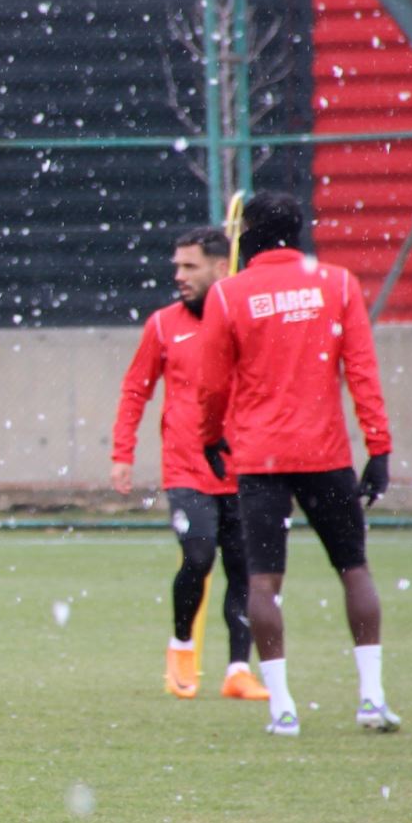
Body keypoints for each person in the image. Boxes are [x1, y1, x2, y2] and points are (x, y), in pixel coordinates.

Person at [197, 191, 397, 737]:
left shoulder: (230, 293)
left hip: (260, 457)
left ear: (250, 235)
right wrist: (378, 448)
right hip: (325, 453)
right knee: (354, 569)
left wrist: (210, 435)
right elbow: (362, 371)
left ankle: (282, 707)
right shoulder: (338, 284)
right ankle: (372, 698)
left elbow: (211, 382)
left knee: (263, 581)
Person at [111, 227, 267, 702]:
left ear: (221, 267)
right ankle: (181, 646)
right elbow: (135, 389)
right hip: (186, 469)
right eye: (177, 265)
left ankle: (238, 670)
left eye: (189, 266)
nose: (179, 275)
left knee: (244, 570)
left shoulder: (247, 320)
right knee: (198, 557)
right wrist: (122, 453)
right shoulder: (163, 325)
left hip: (243, 467)